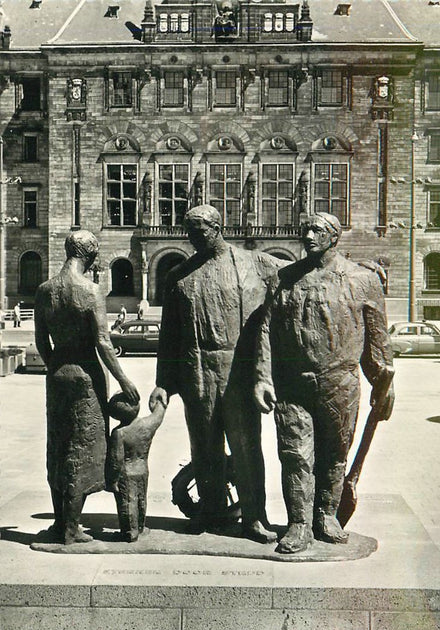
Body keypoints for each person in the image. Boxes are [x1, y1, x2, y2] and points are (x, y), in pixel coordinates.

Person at [254, 212, 394, 554]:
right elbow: (265, 331)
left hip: (340, 381)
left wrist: (383, 380)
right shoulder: (283, 279)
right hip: (292, 383)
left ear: (334, 237)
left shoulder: (363, 279)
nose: (308, 235)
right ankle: (298, 524)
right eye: (305, 229)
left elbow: (377, 337)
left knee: (334, 453)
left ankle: (326, 516)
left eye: (317, 230)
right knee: (295, 455)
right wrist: (262, 377)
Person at [149, 204, 284, 543]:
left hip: (239, 372)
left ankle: (254, 517)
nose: (194, 239)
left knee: (247, 448)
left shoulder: (254, 263)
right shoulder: (178, 276)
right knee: (204, 447)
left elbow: (297, 276)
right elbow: (169, 338)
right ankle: (210, 512)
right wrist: (163, 383)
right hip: (197, 371)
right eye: (189, 233)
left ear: (217, 228)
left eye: (200, 232)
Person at [35, 230, 139, 545]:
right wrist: (124, 379)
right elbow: (104, 343)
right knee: (83, 446)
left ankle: (59, 522)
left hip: (57, 374)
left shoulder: (45, 290)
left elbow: (41, 342)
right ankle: (71, 528)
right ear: (91, 256)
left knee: (58, 443)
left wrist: (56, 365)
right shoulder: (90, 290)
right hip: (85, 375)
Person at [106, 391, 166, 542]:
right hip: (143, 469)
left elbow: (116, 459)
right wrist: (160, 402)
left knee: (128, 501)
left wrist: (112, 480)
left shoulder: (119, 433)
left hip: (126, 472)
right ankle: (140, 527)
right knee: (141, 499)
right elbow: (159, 415)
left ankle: (129, 532)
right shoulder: (147, 424)